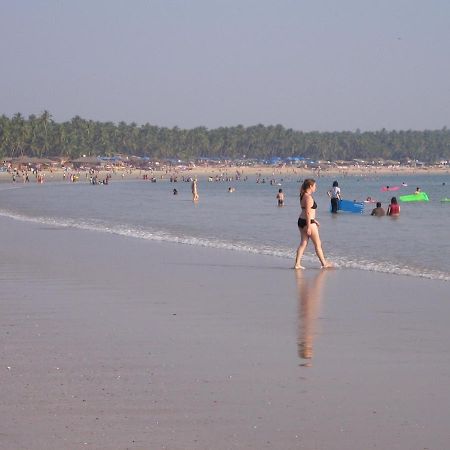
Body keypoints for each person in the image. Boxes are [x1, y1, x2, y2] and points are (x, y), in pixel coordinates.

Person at [294, 179, 332, 269]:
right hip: (308, 222)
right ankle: (324, 263)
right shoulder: (308, 197)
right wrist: (309, 227)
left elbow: (307, 211)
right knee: (318, 244)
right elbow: (307, 212)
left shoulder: (303, 195)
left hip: (302, 221)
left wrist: (314, 220)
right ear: (310, 186)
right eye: (315, 186)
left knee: (303, 243)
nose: (316, 188)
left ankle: (297, 264)